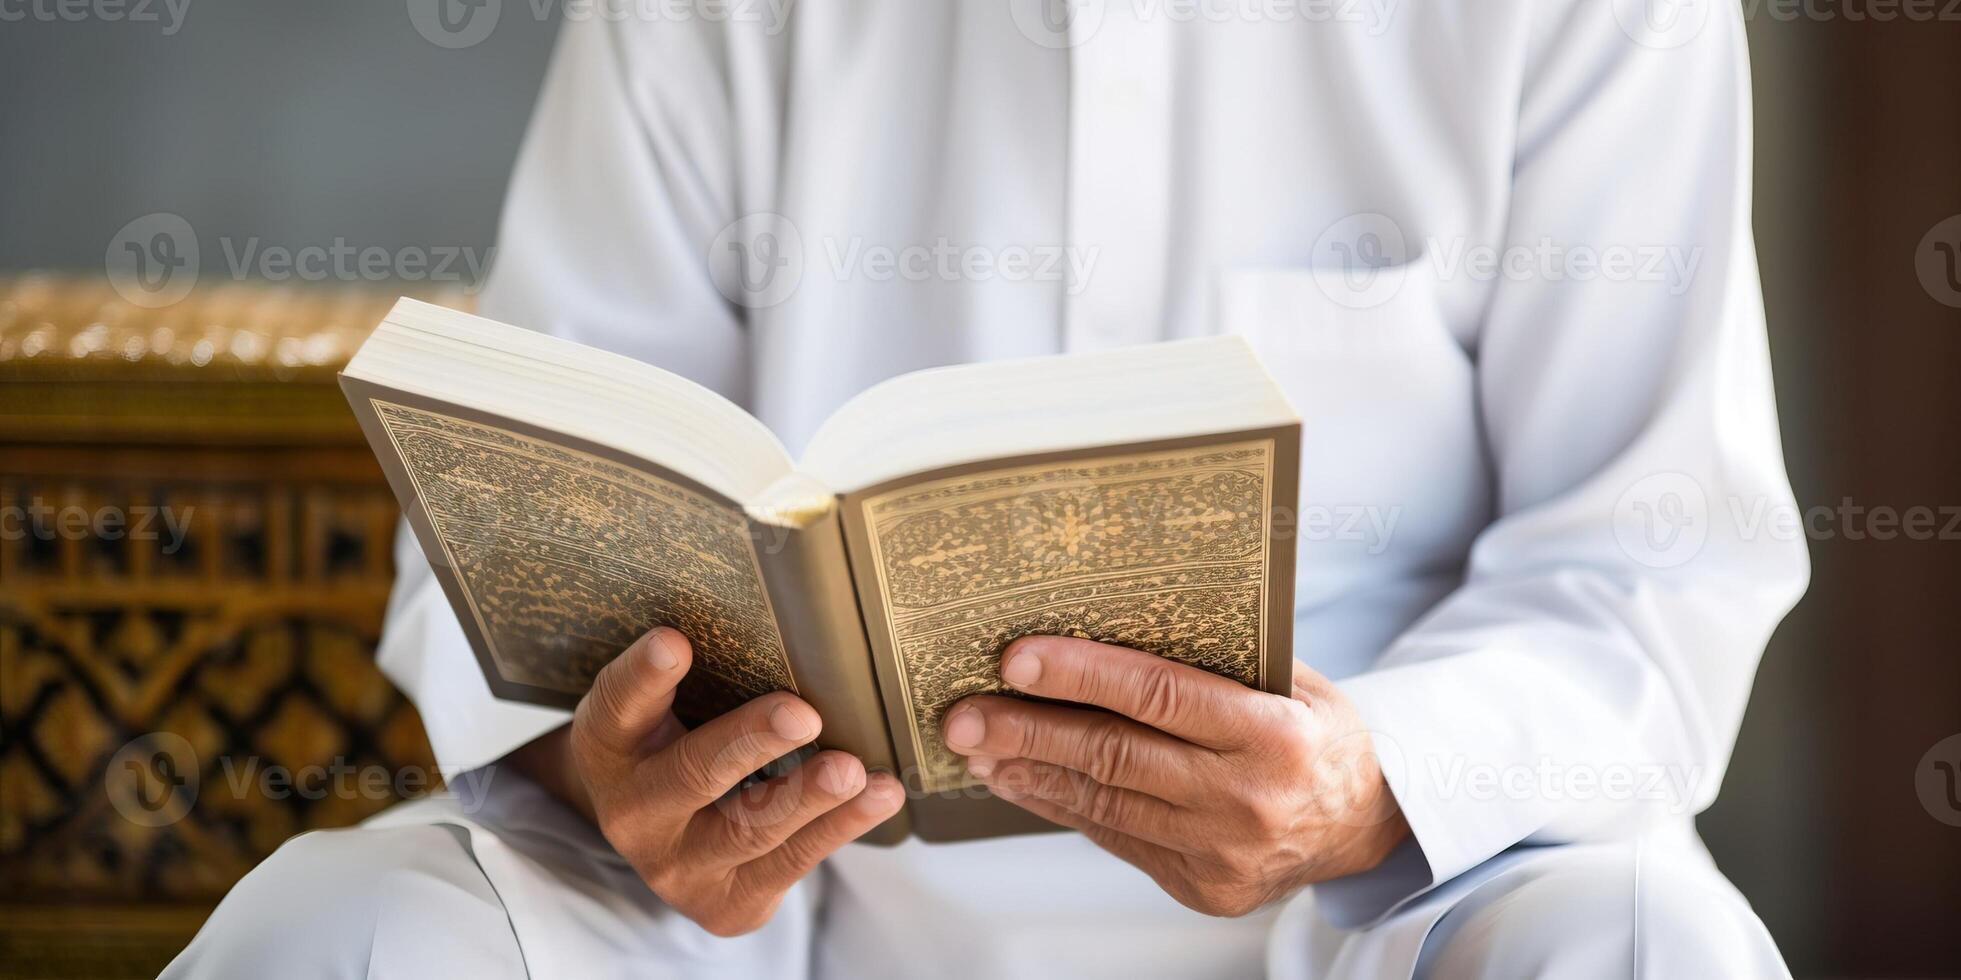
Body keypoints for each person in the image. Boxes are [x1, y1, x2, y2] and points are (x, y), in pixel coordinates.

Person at [166, 2, 1808, 977]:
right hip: (776, 924)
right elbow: (551, 492)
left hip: (1380, 916)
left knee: (1646, 950)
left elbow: (1649, 557)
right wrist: (616, 782)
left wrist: (1360, 788)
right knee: (346, 930)